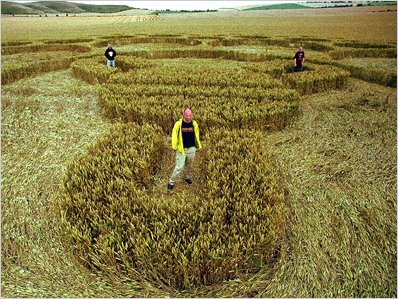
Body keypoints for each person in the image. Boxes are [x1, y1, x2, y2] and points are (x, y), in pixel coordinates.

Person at [167, 108, 202, 191]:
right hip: (182, 149)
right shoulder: (178, 124)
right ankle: (171, 182)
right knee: (179, 167)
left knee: (188, 165)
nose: (189, 117)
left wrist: (197, 145)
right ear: (183, 115)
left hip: (192, 149)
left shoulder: (194, 124)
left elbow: (196, 134)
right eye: (187, 115)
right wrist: (175, 146)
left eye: (190, 115)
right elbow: (174, 135)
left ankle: (186, 177)